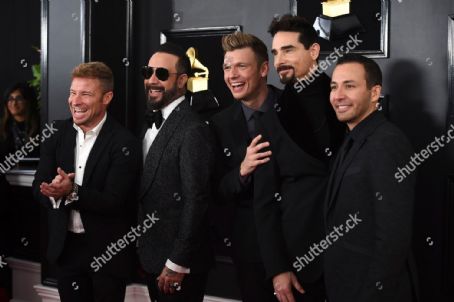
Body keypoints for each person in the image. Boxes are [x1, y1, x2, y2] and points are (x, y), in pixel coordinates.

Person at [252, 15, 345, 302]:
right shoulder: (270, 122)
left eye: (288, 50)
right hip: (301, 261)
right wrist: (278, 269)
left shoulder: (346, 99)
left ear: (313, 51)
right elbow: (264, 203)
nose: (280, 59)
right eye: (276, 52)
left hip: (352, 253)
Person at [33, 62, 141, 302]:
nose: (75, 100)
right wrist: (52, 192)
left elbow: (113, 201)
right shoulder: (56, 133)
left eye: (86, 94)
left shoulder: (124, 142)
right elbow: (38, 186)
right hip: (66, 250)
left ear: (107, 97)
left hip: (108, 255)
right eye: (73, 93)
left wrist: (71, 191)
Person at [325, 53, 417, 302]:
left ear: (375, 93)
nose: (338, 96)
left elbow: (393, 237)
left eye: (350, 86)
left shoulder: (387, 143)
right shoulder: (353, 137)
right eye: (334, 87)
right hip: (344, 285)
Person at [137, 42, 215, 302]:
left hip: (178, 264)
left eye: (161, 74)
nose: (152, 80)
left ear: (182, 80)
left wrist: (177, 262)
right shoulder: (150, 123)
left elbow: (197, 200)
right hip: (151, 256)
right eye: (148, 72)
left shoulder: (192, 128)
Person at [210, 32, 280, 301]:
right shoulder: (219, 124)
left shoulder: (294, 109)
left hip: (299, 244)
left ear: (264, 69)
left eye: (241, 66)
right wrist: (242, 169)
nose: (232, 74)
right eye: (227, 67)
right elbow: (217, 189)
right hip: (249, 250)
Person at [0, 82, 40, 160]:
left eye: (19, 99)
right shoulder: (2, 127)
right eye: (10, 99)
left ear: (28, 101)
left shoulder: (40, 126)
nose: (14, 103)